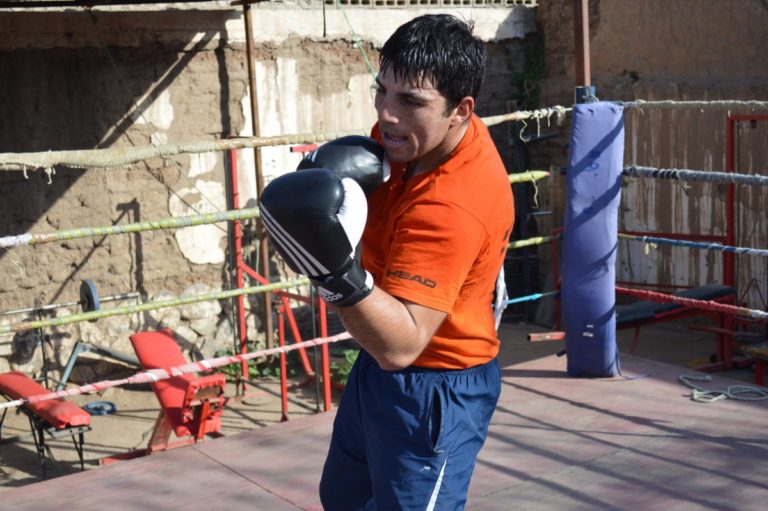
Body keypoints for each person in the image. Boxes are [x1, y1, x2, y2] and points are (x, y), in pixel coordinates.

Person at [260, 13, 514, 510]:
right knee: (344, 499)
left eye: (411, 102)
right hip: (377, 370)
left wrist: (334, 275)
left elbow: (402, 344)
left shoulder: (453, 206)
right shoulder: (412, 138)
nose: (387, 115)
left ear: (461, 110)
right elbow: (387, 352)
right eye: (383, 92)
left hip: (437, 386)